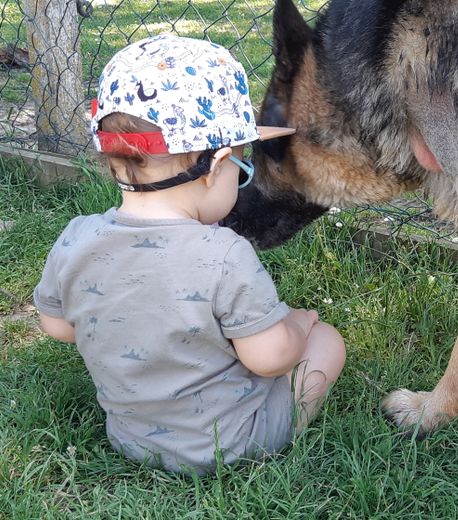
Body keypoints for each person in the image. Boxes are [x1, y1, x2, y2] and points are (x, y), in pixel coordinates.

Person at [33, 34, 346, 475]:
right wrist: (299, 322)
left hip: (129, 438)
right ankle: (284, 422)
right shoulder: (223, 253)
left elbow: (59, 326)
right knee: (326, 341)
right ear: (214, 166)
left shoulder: (76, 238)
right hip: (234, 442)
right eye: (242, 167)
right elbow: (270, 358)